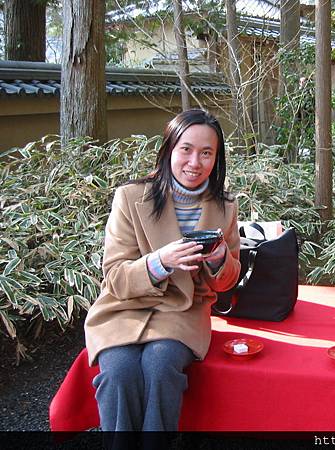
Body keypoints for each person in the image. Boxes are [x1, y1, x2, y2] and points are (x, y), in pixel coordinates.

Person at [84, 109, 241, 432]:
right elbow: (114, 276)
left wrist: (219, 259)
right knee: (119, 373)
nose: (195, 162)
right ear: (169, 148)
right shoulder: (130, 197)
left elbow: (228, 280)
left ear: (216, 159)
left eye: (206, 153)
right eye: (186, 149)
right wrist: (160, 262)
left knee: (160, 363)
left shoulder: (224, 206)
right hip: (123, 309)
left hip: (183, 312)